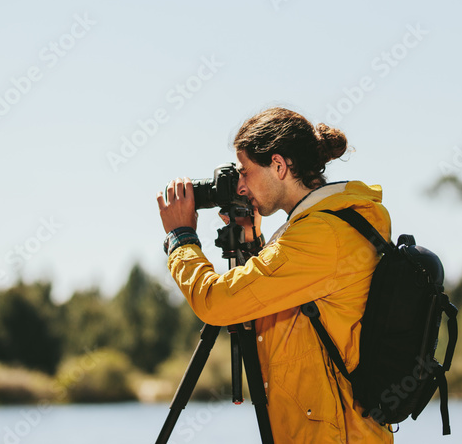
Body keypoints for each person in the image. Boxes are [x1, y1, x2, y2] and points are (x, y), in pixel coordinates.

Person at [157, 107, 394, 444]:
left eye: (245, 171)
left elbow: (216, 303)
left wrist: (181, 238)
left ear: (279, 166)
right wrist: (252, 242)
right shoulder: (327, 223)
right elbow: (282, 303)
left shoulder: (321, 233)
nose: (240, 185)